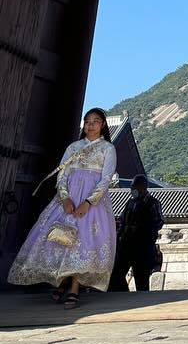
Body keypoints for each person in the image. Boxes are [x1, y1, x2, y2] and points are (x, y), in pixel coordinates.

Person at [7, 108, 117, 306]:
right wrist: (65, 198)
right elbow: (62, 174)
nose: (91, 125)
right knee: (59, 239)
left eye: (96, 121)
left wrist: (88, 202)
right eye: (88, 121)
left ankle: (74, 287)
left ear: (103, 125)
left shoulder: (108, 149)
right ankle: (61, 281)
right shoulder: (73, 147)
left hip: (92, 203)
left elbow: (106, 179)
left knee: (83, 242)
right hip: (68, 199)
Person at [109, 175, 164, 292]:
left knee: (141, 279)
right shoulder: (130, 202)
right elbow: (122, 220)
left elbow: (158, 222)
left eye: (135, 186)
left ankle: (142, 302)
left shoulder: (153, 203)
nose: (132, 189)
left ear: (142, 186)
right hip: (126, 244)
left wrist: (143, 229)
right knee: (117, 274)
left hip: (143, 246)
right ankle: (124, 295)